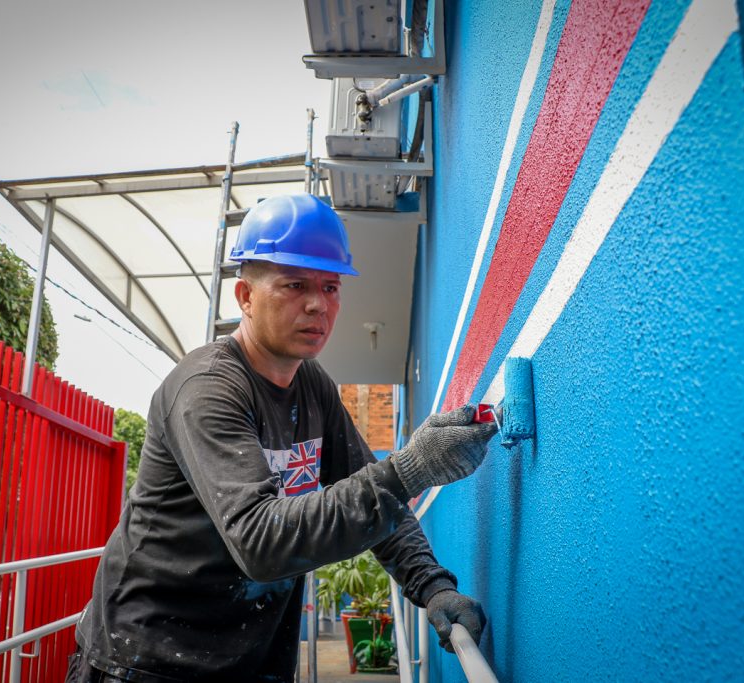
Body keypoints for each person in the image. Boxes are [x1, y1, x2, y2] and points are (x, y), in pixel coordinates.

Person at [68, 194, 498, 682]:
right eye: (295, 284)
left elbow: (378, 499)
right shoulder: (207, 389)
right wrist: (410, 469)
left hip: (248, 662)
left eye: (331, 286)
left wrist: (433, 585)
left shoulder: (314, 387)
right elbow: (261, 543)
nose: (318, 304)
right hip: (146, 660)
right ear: (245, 297)